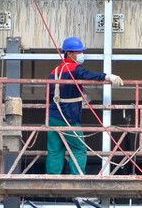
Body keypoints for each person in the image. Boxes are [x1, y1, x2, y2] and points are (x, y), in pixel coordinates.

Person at [47, 36, 125, 175]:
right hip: (68, 118)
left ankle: (51, 182)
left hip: (53, 116)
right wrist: (107, 76)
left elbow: (49, 95)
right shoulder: (74, 68)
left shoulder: (55, 71)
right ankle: (77, 182)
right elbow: (88, 74)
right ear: (69, 53)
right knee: (79, 149)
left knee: (55, 150)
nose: (81, 54)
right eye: (78, 52)